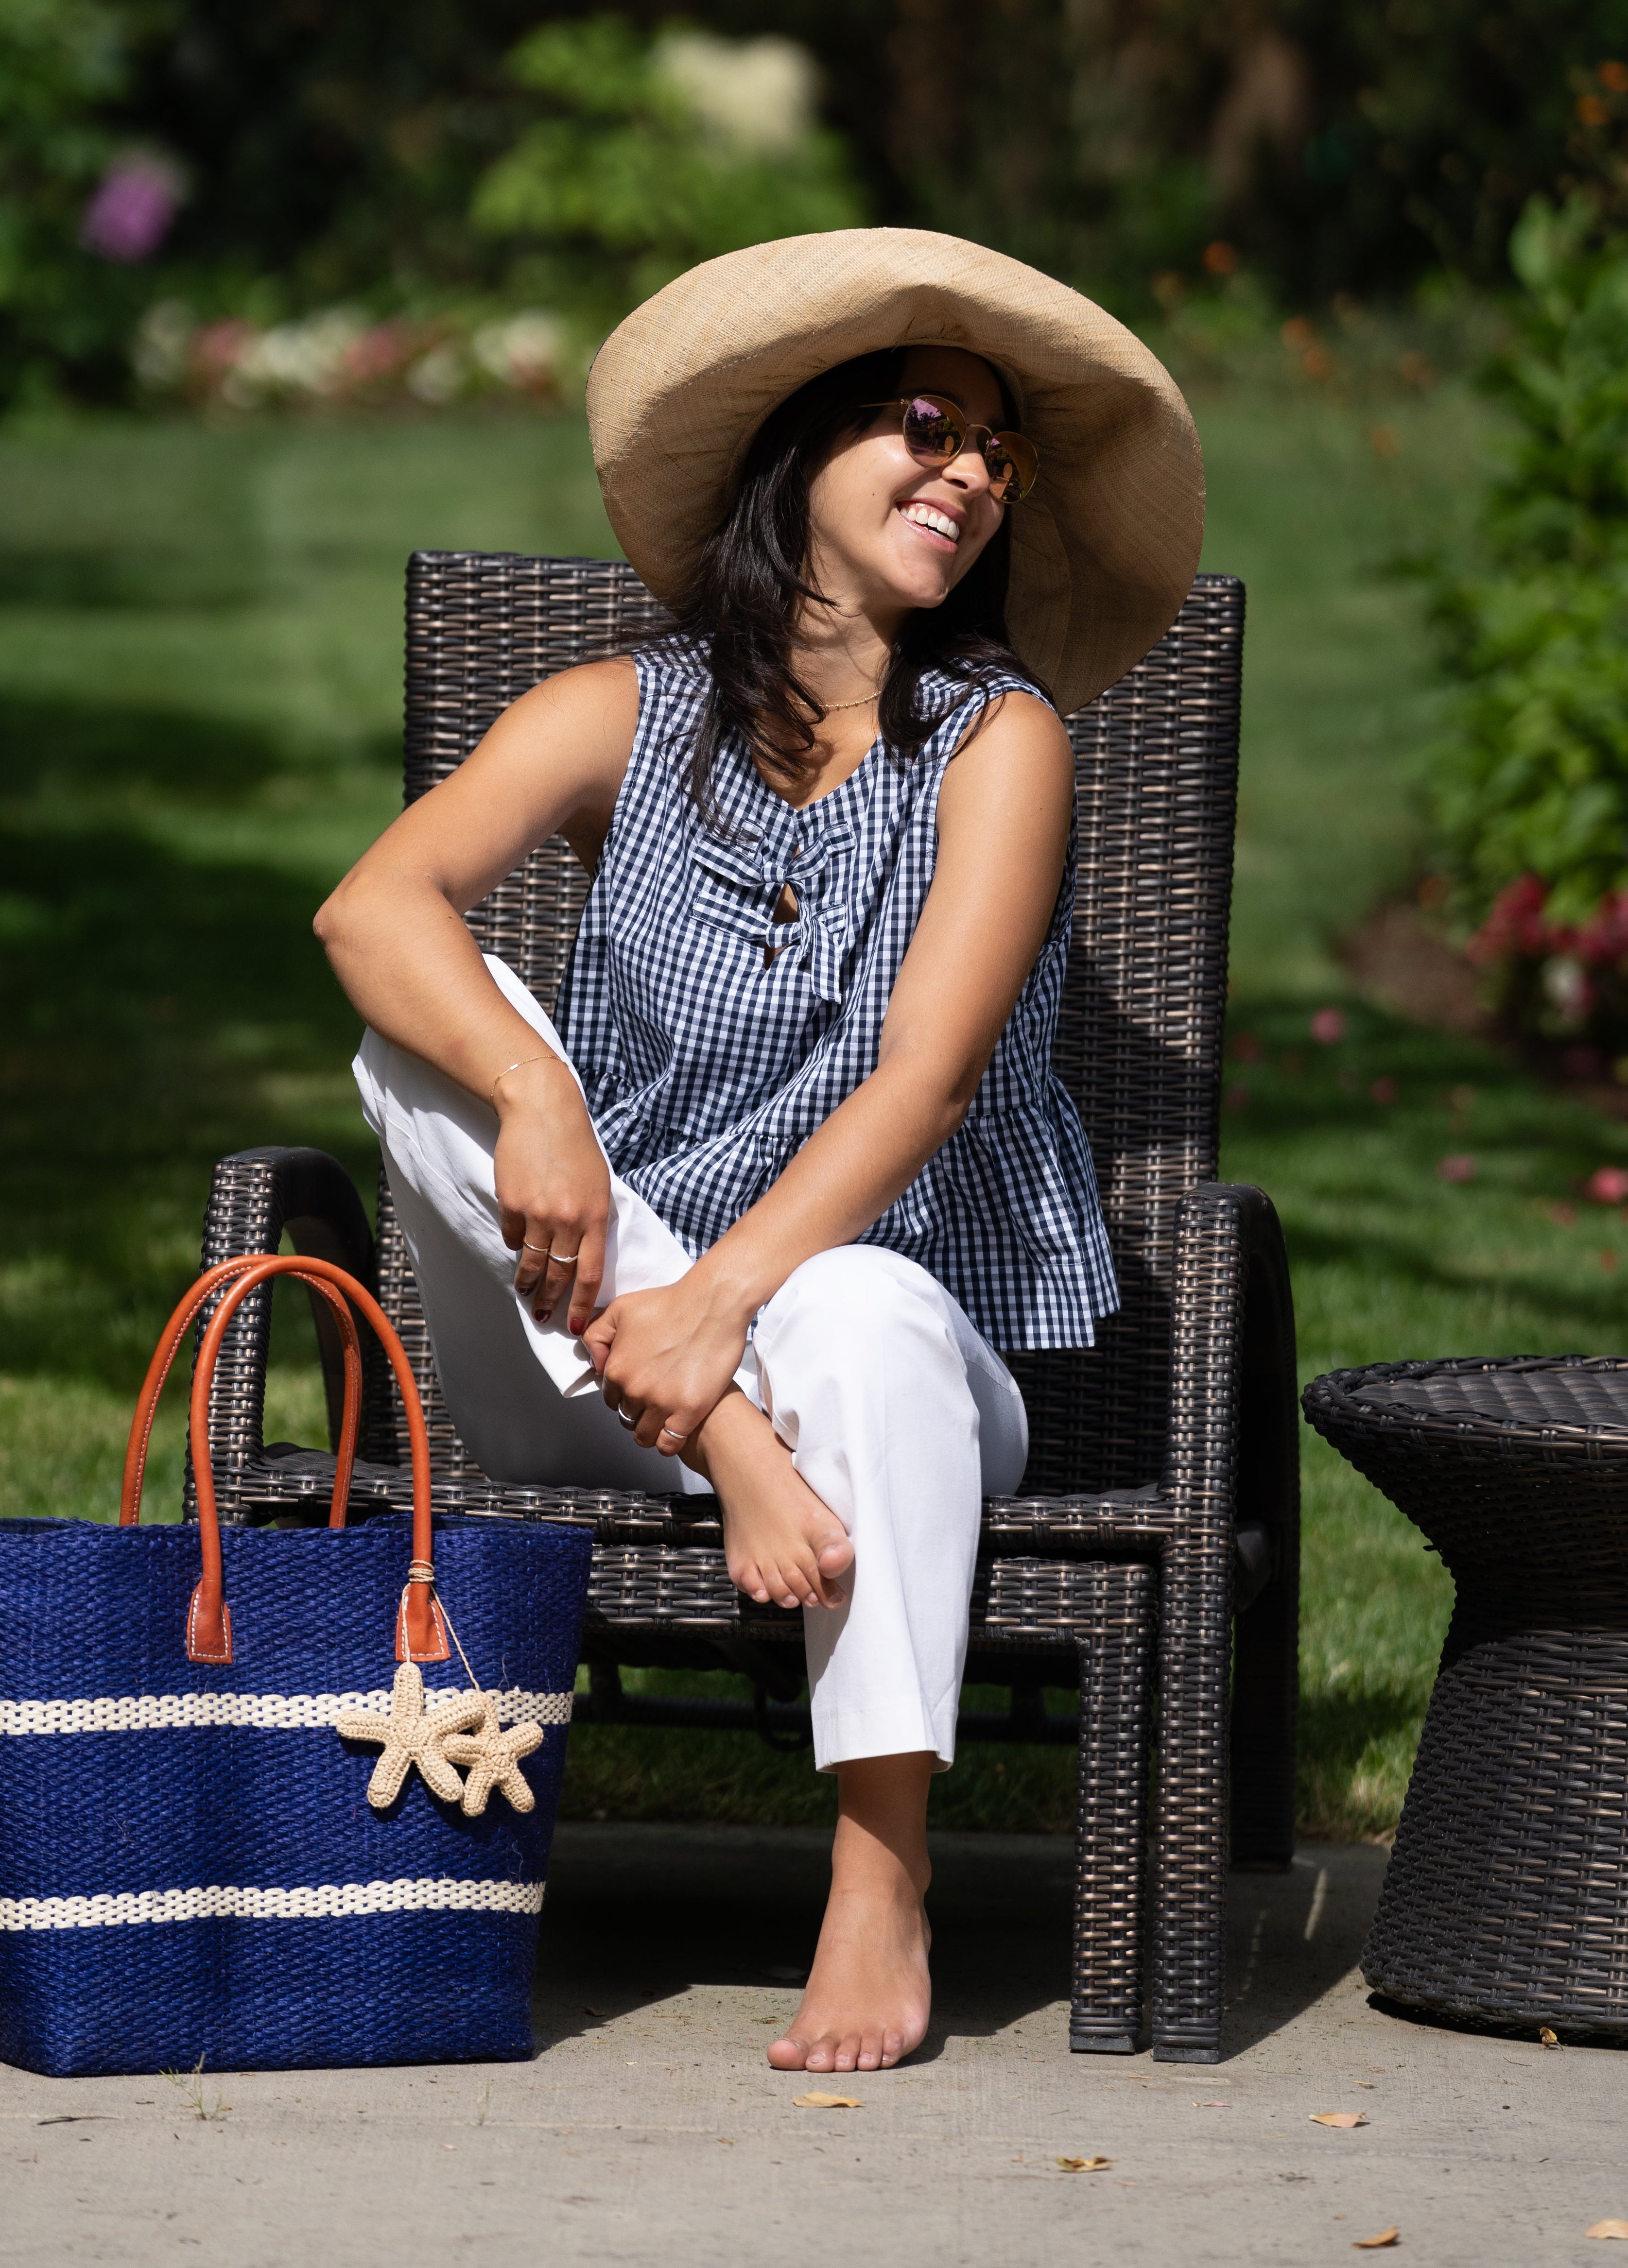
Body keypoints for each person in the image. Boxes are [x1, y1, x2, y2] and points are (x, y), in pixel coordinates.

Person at [314, 228, 1202, 2073]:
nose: (970, 473)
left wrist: (722, 1305)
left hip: (881, 1378)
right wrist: (538, 1098)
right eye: (927, 424)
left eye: (998, 454)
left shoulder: (1000, 745)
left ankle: (880, 1879)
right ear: (801, 448)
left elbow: (927, 1082)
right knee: (418, 1045)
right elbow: (370, 909)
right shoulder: (621, 712)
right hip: (594, 1352)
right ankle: (726, 1440)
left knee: (864, 1305)